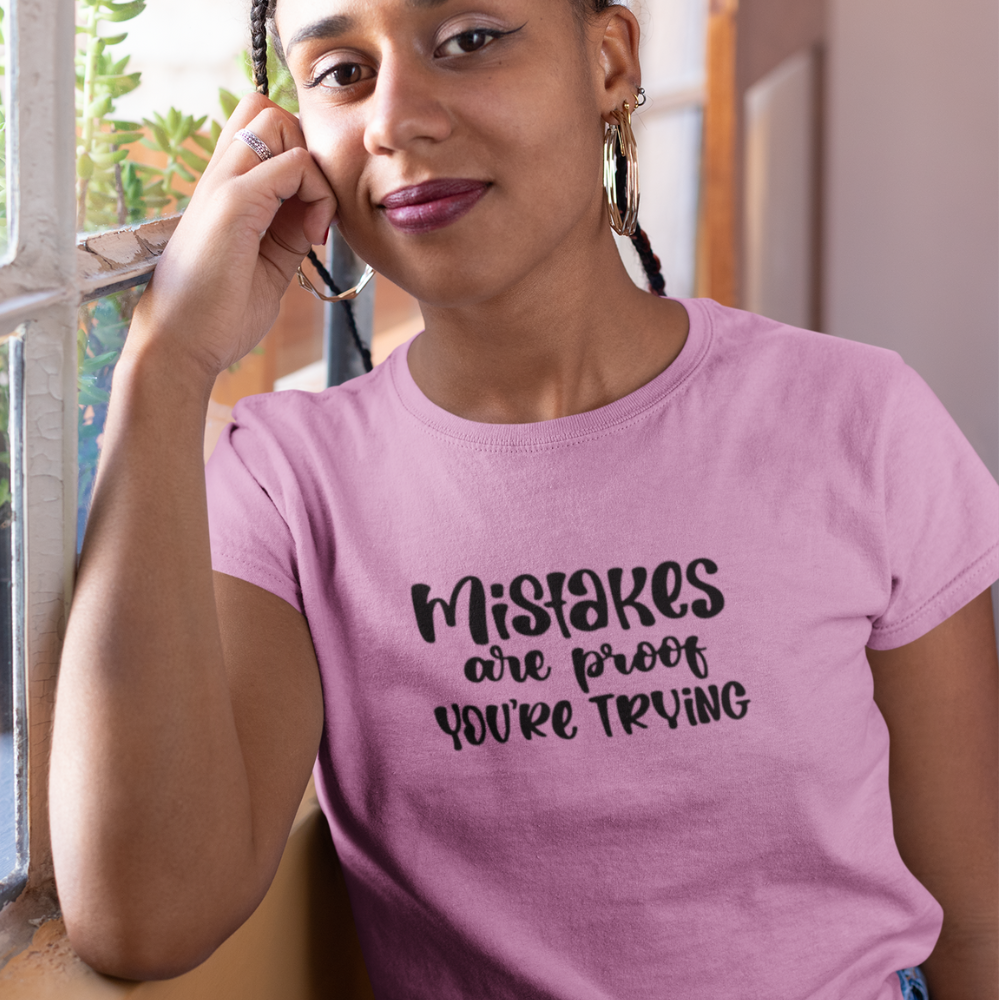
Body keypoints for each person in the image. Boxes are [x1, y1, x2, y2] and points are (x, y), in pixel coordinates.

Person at [50, 1, 998, 997]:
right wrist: (164, 364)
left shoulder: (856, 417)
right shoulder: (285, 486)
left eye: (469, 38)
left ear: (608, 60)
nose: (395, 121)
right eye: (340, 71)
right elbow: (143, 917)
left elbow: (977, 923)